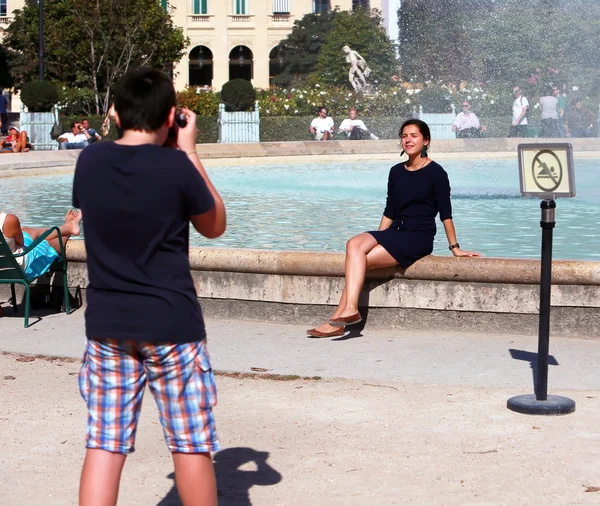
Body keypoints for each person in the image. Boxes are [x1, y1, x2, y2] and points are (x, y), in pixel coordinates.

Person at [73, 67, 226, 506]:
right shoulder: (177, 166)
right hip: (172, 323)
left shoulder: (90, 161)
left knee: (104, 442)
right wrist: (190, 151)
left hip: (107, 325)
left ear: (115, 113)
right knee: (189, 443)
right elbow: (214, 225)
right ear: (172, 116)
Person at [306, 119, 481, 338]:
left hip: (418, 237)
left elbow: (446, 213)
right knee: (354, 245)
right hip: (395, 232)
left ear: (426, 140)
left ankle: (338, 320)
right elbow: (390, 210)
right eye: (404, 136)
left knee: (358, 263)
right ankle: (347, 312)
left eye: (414, 136)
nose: (408, 140)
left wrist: (455, 247)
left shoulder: (437, 173)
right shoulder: (396, 171)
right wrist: (380, 238)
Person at [0, 210, 82, 281]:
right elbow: (21, 242)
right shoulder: (8, 220)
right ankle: (69, 229)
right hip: (19, 270)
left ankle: (68, 227)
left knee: (26, 231)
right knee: (49, 243)